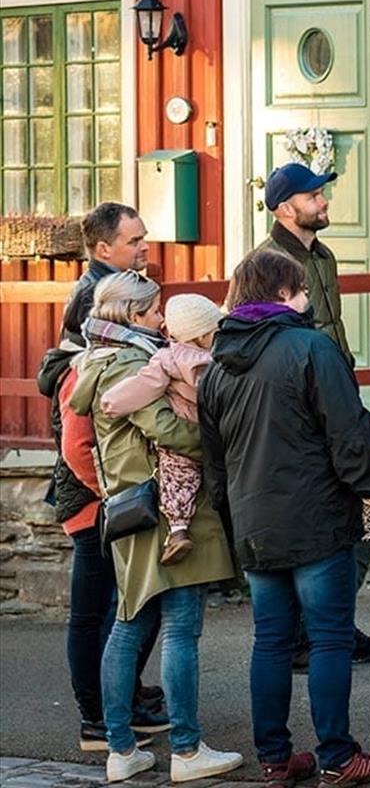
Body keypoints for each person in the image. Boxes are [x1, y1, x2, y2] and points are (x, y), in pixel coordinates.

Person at [199, 248, 370, 787]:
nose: (310, 299)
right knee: (330, 639)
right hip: (316, 521)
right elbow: (350, 434)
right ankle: (337, 756)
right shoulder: (311, 348)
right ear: (283, 295)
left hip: (254, 524)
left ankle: (275, 759)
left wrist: (231, 521)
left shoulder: (215, 367)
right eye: (304, 291)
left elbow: (213, 463)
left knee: (271, 641)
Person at [68, 273, 243, 783]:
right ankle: (186, 751)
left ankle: (121, 751)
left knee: (130, 623)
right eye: (151, 312)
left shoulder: (94, 359)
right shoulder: (130, 360)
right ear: (130, 316)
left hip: (131, 504)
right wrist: (214, 440)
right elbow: (164, 429)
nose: (160, 320)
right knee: (180, 628)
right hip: (165, 507)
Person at [33, 201, 165, 750]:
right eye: (134, 241)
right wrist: (109, 493)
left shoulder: (116, 299)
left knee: (128, 604)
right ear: (103, 249)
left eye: (143, 238)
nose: (144, 248)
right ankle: (97, 714)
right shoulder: (99, 309)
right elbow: (79, 429)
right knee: (97, 610)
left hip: (107, 488)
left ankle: (122, 698)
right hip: (95, 493)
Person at [258, 161, 370, 665]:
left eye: (322, 194)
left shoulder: (326, 257)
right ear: (285, 207)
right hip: (299, 412)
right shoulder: (265, 263)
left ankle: (331, 622)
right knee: (324, 522)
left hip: (339, 400)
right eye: (314, 196)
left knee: (369, 514)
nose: (324, 203)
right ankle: (310, 634)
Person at [97, 293, 225, 565]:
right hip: (217, 431)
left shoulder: (166, 358)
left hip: (184, 428)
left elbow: (144, 385)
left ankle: (178, 530)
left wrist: (112, 402)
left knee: (176, 478)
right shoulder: (220, 358)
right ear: (202, 335)